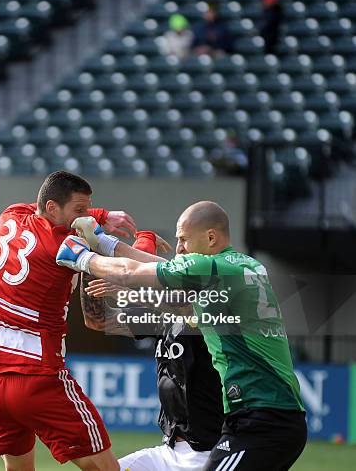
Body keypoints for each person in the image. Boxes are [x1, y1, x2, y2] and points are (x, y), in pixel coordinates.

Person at [57, 201, 307, 470]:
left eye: (184, 240)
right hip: (206, 434)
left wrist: (83, 258)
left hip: (262, 418)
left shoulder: (212, 275)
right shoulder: (237, 269)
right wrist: (101, 242)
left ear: (210, 237)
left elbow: (133, 273)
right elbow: (105, 313)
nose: (179, 249)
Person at [0, 171, 137, 471]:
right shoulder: (63, 245)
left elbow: (31, 206)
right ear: (52, 208)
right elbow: (120, 267)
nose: (84, 219)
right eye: (79, 211)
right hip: (37, 378)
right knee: (105, 468)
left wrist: (98, 214)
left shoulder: (11, 214)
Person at [79, 231, 224, 471]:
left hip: (208, 453)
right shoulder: (159, 317)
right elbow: (98, 320)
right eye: (177, 241)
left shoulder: (211, 298)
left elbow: (183, 305)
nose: (179, 249)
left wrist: (125, 284)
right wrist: (88, 261)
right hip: (167, 452)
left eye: (185, 241)